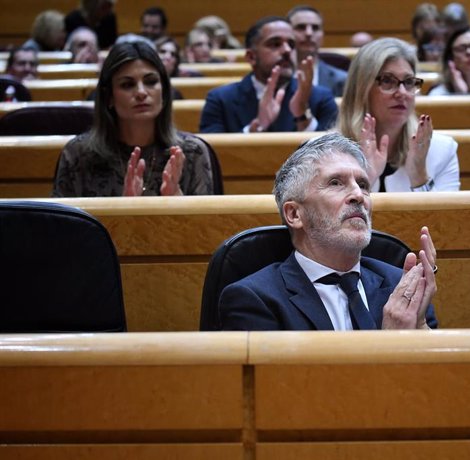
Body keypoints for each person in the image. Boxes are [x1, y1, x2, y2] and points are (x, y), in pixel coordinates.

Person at [218, 132, 438, 331]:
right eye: (335, 183)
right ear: (295, 214)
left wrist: (421, 332)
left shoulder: (404, 287)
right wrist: (392, 345)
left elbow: (443, 375)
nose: (358, 195)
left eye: (362, 184)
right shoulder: (254, 300)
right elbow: (287, 378)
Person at [52, 41, 214, 197]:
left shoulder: (193, 152)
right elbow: (63, 225)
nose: (141, 92)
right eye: (127, 85)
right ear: (109, 97)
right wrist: (124, 213)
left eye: (151, 82)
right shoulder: (78, 155)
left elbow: (209, 225)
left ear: (164, 92)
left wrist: (177, 201)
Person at [338, 37, 460, 192]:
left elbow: (445, 217)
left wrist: (419, 176)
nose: (402, 93)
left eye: (408, 82)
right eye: (388, 81)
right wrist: (366, 179)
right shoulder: (326, 153)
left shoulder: (442, 151)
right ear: (362, 89)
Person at [200, 16, 338, 134]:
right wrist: (254, 129)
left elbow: (334, 156)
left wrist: (302, 115)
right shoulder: (220, 100)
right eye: (275, 44)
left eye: (291, 44)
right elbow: (212, 157)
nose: (287, 50)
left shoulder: (320, 98)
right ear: (251, 57)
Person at [287, 5, 348, 97]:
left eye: (315, 28)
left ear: (322, 35)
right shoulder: (272, 77)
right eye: (301, 27)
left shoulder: (342, 80)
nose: (309, 33)